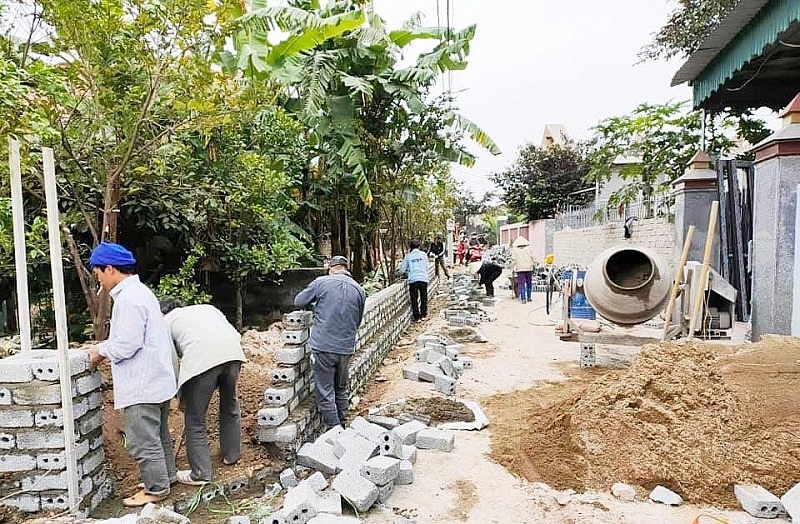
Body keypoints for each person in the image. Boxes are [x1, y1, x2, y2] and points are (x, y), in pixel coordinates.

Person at [84, 242, 177, 507]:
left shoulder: (128, 300)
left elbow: (126, 344)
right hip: (156, 380)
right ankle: (166, 477)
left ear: (110, 269)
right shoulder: (141, 292)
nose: (99, 278)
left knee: (141, 440)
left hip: (142, 384)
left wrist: (99, 350)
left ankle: (156, 489)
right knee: (158, 435)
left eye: (99, 272)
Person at [159, 298, 245, 486]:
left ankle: (200, 473)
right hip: (233, 353)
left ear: (162, 313)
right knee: (229, 406)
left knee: (195, 419)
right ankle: (231, 455)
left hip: (202, 358)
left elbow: (171, 359)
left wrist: (178, 393)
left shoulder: (165, 322)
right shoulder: (207, 308)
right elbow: (234, 334)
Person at [294, 255, 366, 430]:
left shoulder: (321, 282)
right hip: (346, 347)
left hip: (324, 346)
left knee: (325, 392)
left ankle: (335, 432)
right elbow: (358, 320)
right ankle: (342, 423)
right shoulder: (359, 290)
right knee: (340, 388)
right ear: (346, 268)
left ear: (331, 268)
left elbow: (299, 301)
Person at [397, 240, 429, 321]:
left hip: (413, 279)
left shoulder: (408, 256)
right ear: (419, 246)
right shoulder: (424, 255)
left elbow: (402, 270)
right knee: (423, 298)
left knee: (414, 299)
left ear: (410, 247)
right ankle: (423, 314)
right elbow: (427, 266)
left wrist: (399, 274)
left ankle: (417, 316)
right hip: (423, 278)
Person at [511, 236, 537, 303]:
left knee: (521, 284)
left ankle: (523, 299)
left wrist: (512, 268)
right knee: (529, 283)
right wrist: (535, 263)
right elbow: (533, 257)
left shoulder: (515, 249)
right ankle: (529, 297)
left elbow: (513, 260)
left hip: (520, 269)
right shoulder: (529, 248)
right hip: (529, 268)